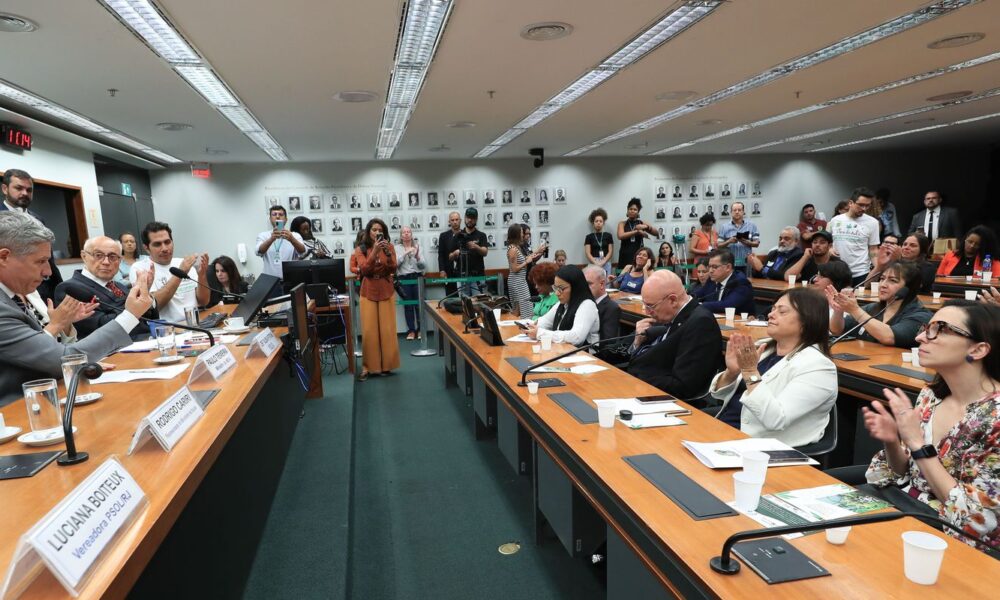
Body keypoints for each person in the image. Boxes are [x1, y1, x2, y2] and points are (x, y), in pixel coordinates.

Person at [863, 300, 1000, 552]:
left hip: (954, 539)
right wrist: (893, 441)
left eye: (939, 329)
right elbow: (906, 471)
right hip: (907, 506)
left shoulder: (995, 417)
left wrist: (917, 445)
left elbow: (978, 520)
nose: (920, 338)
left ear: (978, 349)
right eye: (926, 328)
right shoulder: (931, 395)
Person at [0, 212, 153, 407]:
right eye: (40, 261)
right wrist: (130, 315)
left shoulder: (15, 295)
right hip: (18, 411)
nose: (48, 272)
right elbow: (64, 359)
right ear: (4, 257)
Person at [709, 288, 837, 446]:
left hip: (760, 446)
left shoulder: (819, 367)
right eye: (773, 309)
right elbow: (718, 395)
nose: (770, 314)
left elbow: (776, 420)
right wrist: (731, 373)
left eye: (782, 312)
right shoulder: (763, 348)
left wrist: (750, 372)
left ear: (806, 321)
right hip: (725, 429)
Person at [627, 270, 723, 402]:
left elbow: (684, 386)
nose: (647, 312)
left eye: (650, 306)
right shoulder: (667, 315)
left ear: (673, 300)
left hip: (669, 401)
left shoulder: (701, 323)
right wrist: (636, 344)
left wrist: (638, 374)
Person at [54, 235, 159, 340]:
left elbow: (150, 319)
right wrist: (133, 308)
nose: (106, 262)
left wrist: (144, 293)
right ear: (84, 256)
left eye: (112, 257)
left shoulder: (120, 286)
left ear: (120, 260)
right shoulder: (70, 288)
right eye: (98, 255)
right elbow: (100, 329)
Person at [827, 261, 932, 348]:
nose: (883, 285)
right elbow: (837, 330)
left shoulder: (921, 316)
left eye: (892, 280)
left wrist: (855, 310)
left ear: (908, 288)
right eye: (882, 279)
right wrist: (838, 311)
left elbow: (889, 337)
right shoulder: (872, 308)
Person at [1, 169, 63, 301]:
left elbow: (49, 260)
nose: (25, 193)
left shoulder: (38, 219)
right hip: (10, 293)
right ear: (5, 189)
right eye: (19, 188)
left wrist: (60, 290)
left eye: (29, 190)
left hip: (43, 290)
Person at [131, 221, 210, 322]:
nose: (164, 248)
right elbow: (154, 306)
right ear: (146, 248)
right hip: (168, 328)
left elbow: (204, 301)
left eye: (167, 242)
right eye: (157, 244)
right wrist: (180, 272)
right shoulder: (139, 268)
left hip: (196, 324)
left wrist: (202, 276)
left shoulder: (183, 263)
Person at [350, 219, 399, 380]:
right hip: (368, 289)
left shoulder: (389, 247)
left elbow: (393, 268)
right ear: (368, 232)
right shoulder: (360, 249)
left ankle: (387, 366)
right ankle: (369, 367)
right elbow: (364, 269)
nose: (377, 232)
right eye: (374, 229)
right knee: (369, 330)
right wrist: (374, 252)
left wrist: (388, 254)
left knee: (387, 329)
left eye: (380, 230)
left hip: (386, 288)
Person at [528, 265, 599, 346]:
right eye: (555, 288)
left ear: (575, 287)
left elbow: (576, 337)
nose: (557, 293)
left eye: (561, 288)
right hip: (563, 350)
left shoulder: (587, 305)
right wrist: (529, 327)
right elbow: (545, 321)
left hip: (584, 353)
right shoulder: (562, 303)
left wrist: (540, 333)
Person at [829, 188, 880, 286]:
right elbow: (828, 242)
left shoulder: (873, 223)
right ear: (850, 203)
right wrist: (829, 249)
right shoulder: (835, 220)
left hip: (861, 273)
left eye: (867, 205)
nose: (864, 209)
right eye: (861, 205)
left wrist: (878, 268)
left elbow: (873, 249)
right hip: (837, 272)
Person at [697, 249, 755, 315]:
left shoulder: (740, 282)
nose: (710, 271)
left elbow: (728, 305)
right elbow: (698, 294)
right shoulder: (713, 279)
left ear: (728, 267)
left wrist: (700, 305)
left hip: (739, 320)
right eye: (709, 267)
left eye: (714, 267)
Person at [256, 205, 305, 278]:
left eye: (281, 214)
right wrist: (271, 239)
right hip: (270, 279)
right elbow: (259, 251)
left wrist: (292, 239)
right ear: (270, 219)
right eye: (274, 214)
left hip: (291, 279)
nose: (277, 217)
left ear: (286, 219)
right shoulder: (263, 235)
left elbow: (303, 251)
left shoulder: (294, 235)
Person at [394, 226, 425, 340]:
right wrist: (404, 253)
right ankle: (411, 331)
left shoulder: (418, 246)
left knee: (419, 305)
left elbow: (423, 266)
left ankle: (421, 330)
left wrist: (417, 257)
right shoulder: (396, 248)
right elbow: (395, 264)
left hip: (417, 277)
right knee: (408, 305)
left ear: (411, 234)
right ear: (401, 236)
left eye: (408, 232)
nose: (406, 234)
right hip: (404, 278)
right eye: (404, 232)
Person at [506, 224, 539, 319]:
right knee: (524, 307)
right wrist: (526, 262)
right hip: (516, 281)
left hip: (520, 280)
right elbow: (514, 269)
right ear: (516, 234)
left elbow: (523, 260)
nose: (522, 234)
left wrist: (531, 256)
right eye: (521, 232)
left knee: (520, 309)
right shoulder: (512, 249)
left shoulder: (517, 247)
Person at [452, 208, 488, 295]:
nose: (470, 220)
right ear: (464, 218)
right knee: (464, 302)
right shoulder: (458, 235)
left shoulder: (481, 235)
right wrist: (455, 253)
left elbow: (485, 252)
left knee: (480, 301)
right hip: (462, 276)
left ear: (476, 219)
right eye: (468, 217)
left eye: (472, 218)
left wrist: (476, 247)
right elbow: (450, 256)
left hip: (478, 275)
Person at [583, 265, 620, 343]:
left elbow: (607, 343)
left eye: (589, 284)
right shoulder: (584, 303)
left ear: (602, 284)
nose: (584, 288)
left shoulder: (611, 308)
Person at [717, 202, 759, 267]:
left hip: (746, 263)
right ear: (731, 212)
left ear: (743, 212)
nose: (737, 212)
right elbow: (718, 245)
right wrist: (729, 241)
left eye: (739, 210)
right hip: (730, 264)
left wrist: (746, 242)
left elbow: (757, 243)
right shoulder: (724, 227)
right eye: (734, 210)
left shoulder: (752, 226)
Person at [616, 198, 653, 270]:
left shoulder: (641, 223)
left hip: (639, 255)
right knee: (624, 275)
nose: (632, 211)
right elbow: (620, 236)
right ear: (627, 210)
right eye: (630, 209)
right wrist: (637, 232)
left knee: (638, 274)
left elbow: (654, 233)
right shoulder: (622, 223)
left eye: (635, 209)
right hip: (625, 255)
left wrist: (646, 228)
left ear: (638, 212)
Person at [437, 211, 462, 296]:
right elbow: (441, 254)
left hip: (462, 271)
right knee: (450, 298)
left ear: (460, 220)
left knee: (464, 297)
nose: (455, 222)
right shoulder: (443, 236)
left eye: (457, 219)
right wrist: (442, 270)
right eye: (452, 220)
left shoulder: (465, 234)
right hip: (448, 272)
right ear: (449, 222)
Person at [584, 208, 614, 277]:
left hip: (605, 262)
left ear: (603, 223)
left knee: (606, 282)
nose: (598, 223)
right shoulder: (589, 237)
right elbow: (587, 253)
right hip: (593, 262)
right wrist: (596, 263)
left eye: (600, 221)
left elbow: (610, 251)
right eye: (596, 221)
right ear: (593, 223)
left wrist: (603, 262)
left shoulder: (608, 235)